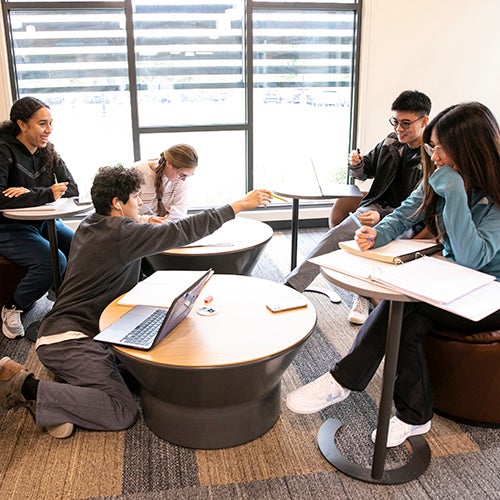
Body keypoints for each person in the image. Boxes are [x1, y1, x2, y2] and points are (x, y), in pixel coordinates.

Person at [0, 165, 272, 439]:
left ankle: (61, 404)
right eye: (135, 198)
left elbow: (119, 235)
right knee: (121, 410)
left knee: (146, 374)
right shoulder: (122, 234)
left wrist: (140, 222)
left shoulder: (92, 223)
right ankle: (23, 385)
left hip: (87, 333)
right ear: (117, 204)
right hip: (68, 340)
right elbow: (183, 230)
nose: (141, 203)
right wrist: (238, 205)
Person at [285, 102, 500, 448]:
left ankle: (344, 380)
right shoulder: (442, 173)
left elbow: (473, 259)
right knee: (406, 322)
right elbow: (404, 213)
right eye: (433, 147)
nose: (435, 155)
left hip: (488, 296)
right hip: (454, 282)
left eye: (441, 148)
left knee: (406, 308)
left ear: (469, 148)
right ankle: (415, 417)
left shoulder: (491, 190)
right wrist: (379, 233)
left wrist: (456, 194)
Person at [284, 90, 432, 325]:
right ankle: (291, 289)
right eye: (395, 122)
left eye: (406, 123)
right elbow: (366, 172)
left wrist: (381, 215)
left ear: (424, 121)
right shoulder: (390, 141)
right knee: (338, 235)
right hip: (372, 208)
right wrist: (358, 163)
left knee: (370, 245)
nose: (399, 129)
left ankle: (363, 296)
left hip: (404, 219)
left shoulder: (431, 155)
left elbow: (418, 206)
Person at [0, 96, 79, 340]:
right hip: (9, 227)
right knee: (53, 260)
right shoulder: (4, 150)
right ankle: (13, 306)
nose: (49, 130)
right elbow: (1, 198)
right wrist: (44, 193)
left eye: (51, 123)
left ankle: (65, 302)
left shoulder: (49, 152)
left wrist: (28, 193)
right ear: (22, 124)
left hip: (44, 222)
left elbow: (72, 188)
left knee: (80, 244)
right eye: (42, 124)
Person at [133, 144, 197, 223]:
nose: (184, 180)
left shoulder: (181, 181)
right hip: (138, 228)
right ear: (169, 164)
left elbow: (178, 215)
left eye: (188, 176)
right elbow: (123, 213)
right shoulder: (137, 172)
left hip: (165, 229)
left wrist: (162, 227)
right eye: (182, 175)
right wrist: (147, 220)